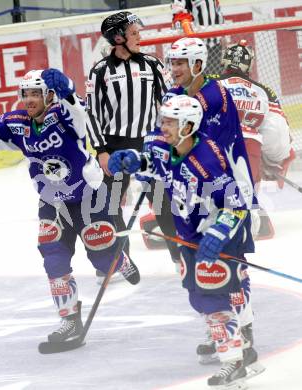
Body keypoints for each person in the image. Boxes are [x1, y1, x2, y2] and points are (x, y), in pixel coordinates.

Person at [0, 67, 140, 343]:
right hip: (52, 203)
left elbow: (82, 119)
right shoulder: (17, 123)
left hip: (88, 196)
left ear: (49, 95)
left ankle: (119, 259)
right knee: (53, 259)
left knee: (103, 258)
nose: (29, 99)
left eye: (36, 94)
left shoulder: (62, 114)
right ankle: (69, 321)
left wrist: (68, 90)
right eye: (25, 94)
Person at [108, 94, 264, 389]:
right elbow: (155, 165)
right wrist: (133, 160)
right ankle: (241, 348)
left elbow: (236, 205)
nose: (162, 126)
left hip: (216, 236)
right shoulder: (166, 148)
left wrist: (218, 235)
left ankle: (235, 363)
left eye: (170, 122)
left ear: (188, 125)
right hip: (189, 236)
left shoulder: (208, 160)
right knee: (198, 296)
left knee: (212, 297)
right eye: (163, 120)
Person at [161, 37, 264, 374]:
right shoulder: (179, 96)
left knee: (231, 265)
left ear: (199, 65)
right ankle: (225, 328)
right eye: (172, 62)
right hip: (197, 194)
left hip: (229, 189)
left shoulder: (213, 95)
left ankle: (244, 339)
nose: (174, 69)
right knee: (202, 266)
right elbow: (167, 138)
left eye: (181, 63)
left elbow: (204, 155)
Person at [86, 11, 180, 275]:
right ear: (118, 38)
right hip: (114, 147)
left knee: (162, 203)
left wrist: (169, 139)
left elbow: (169, 104)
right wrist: (101, 152)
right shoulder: (100, 71)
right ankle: (120, 260)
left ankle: (179, 258)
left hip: (150, 146)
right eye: (134, 33)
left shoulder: (153, 65)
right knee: (111, 205)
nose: (140, 37)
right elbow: (91, 113)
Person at [215, 39, 295, 239]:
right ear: (248, 65)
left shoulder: (210, 83)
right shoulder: (263, 90)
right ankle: (248, 219)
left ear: (224, 62)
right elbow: (278, 132)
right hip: (251, 151)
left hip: (215, 151)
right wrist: (275, 161)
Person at [171, 0, 225, 73]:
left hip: (215, 43)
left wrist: (223, 39)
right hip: (197, 45)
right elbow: (179, 16)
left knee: (214, 77)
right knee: (197, 78)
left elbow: (218, 14)